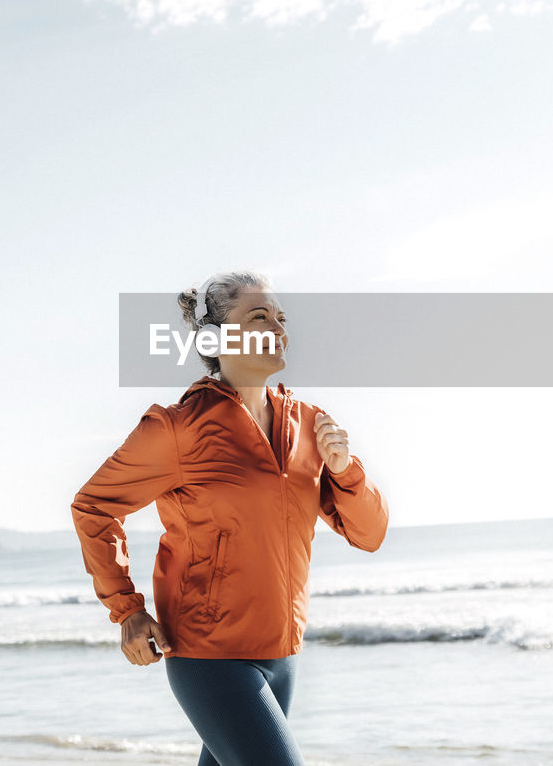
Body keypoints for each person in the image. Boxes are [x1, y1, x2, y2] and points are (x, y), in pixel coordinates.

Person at [71, 269, 390, 766]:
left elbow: (370, 534)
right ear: (213, 337)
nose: (279, 329)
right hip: (209, 655)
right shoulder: (178, 429)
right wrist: (128, 610)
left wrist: (345, 471)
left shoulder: (309, 424)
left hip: (283, 655)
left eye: (282, 318)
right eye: (260, 316)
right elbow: (93, 506)